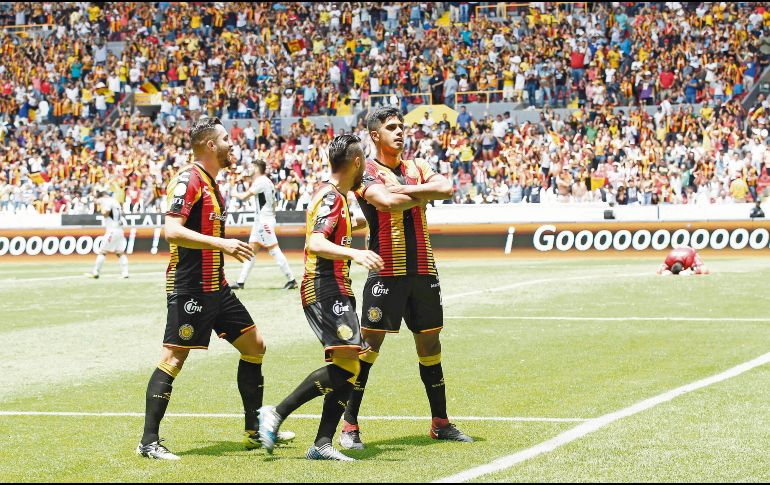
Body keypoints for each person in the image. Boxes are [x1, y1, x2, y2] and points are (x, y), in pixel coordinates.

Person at [136, 117, 293, 460]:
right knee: (174, 357)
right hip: (190, 286)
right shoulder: (188, 180)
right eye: (226, 139)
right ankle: (149, 441)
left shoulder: (211, 183)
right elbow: (172, 231)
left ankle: (254, 430)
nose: (232, 144)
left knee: (255, 345)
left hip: (216, 287)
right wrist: (221, 245)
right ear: (210, 145)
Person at [339, 107, 473, 450]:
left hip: (424, 268)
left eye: (402, 127)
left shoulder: (417, 166)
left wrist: (408, 192)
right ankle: (349, 424)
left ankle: (440, 422)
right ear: (374, 135)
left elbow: (446, 188)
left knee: (430, 344)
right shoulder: (365, 170)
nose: (400, 132)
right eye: (392, 128)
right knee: (368, 347)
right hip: (387, 269)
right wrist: (421, 193)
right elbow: (385, 203)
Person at [257, 134, 382, 461]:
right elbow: (315, 242)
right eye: (364, 160)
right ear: (357, 162)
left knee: (349, 366)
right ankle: (277, 412)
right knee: (347, 366)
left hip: (335, 286)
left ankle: (322, 444)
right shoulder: (331, 197)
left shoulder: (332, 194)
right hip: (324, 286)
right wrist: (355, 253)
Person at [231, 160, 297, 290]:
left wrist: (234, 193)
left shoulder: (260, 181)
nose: (249, 169)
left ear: (256, 168)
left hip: (263, 221)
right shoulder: (267, 182)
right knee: (251, 251)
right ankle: (240, 282)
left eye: (251, 166)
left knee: (274, 250)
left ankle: (292, 280)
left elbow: (244, 197)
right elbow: (274, 204)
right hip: (262, 220)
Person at [84, 191, 129, 279]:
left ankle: (95, 272)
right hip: (119, 230)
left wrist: (101, 208)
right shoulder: (115, 201)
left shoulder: (107, 201)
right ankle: (125, 273)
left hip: (112, 230)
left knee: (103, 251)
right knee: (120, 252)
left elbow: (106, 213)